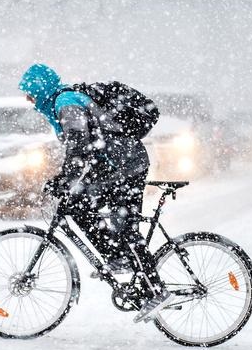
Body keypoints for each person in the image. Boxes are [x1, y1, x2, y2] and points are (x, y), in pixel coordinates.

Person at [18, 63, 172, 322]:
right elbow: (83, 148)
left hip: (124, 166)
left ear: (40, 88)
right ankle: (119, 257)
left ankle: (155, 290)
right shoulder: (62, 101)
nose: (27, 98)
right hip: (118, 165)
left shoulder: (65, 102)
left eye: (29, 91)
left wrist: (64, 180)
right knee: (82, 206)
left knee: (120, 225)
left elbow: (80, 145)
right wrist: (66, 179)